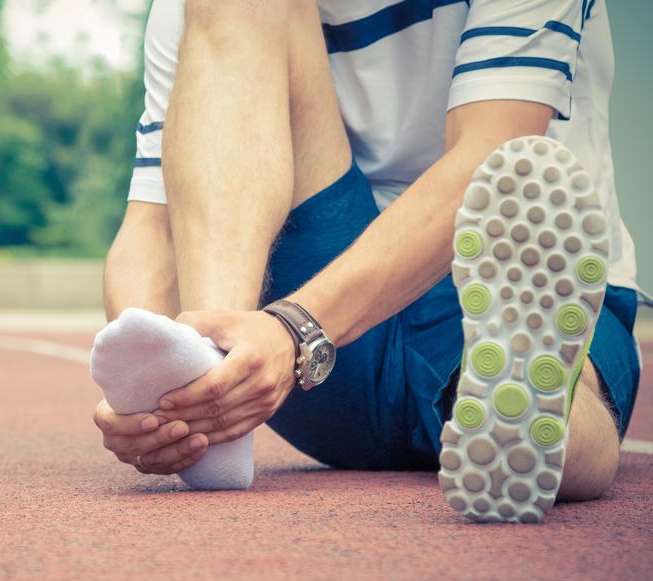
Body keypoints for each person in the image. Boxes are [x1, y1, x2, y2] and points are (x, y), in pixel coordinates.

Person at [89, 0, 642, 522]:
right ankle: (216, 373)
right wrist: (155, 396)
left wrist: (295, 329)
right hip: (293, 354)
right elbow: (153, 227)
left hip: (491, 276)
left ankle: (525, 412)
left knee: (542, 384)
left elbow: (492, 156)